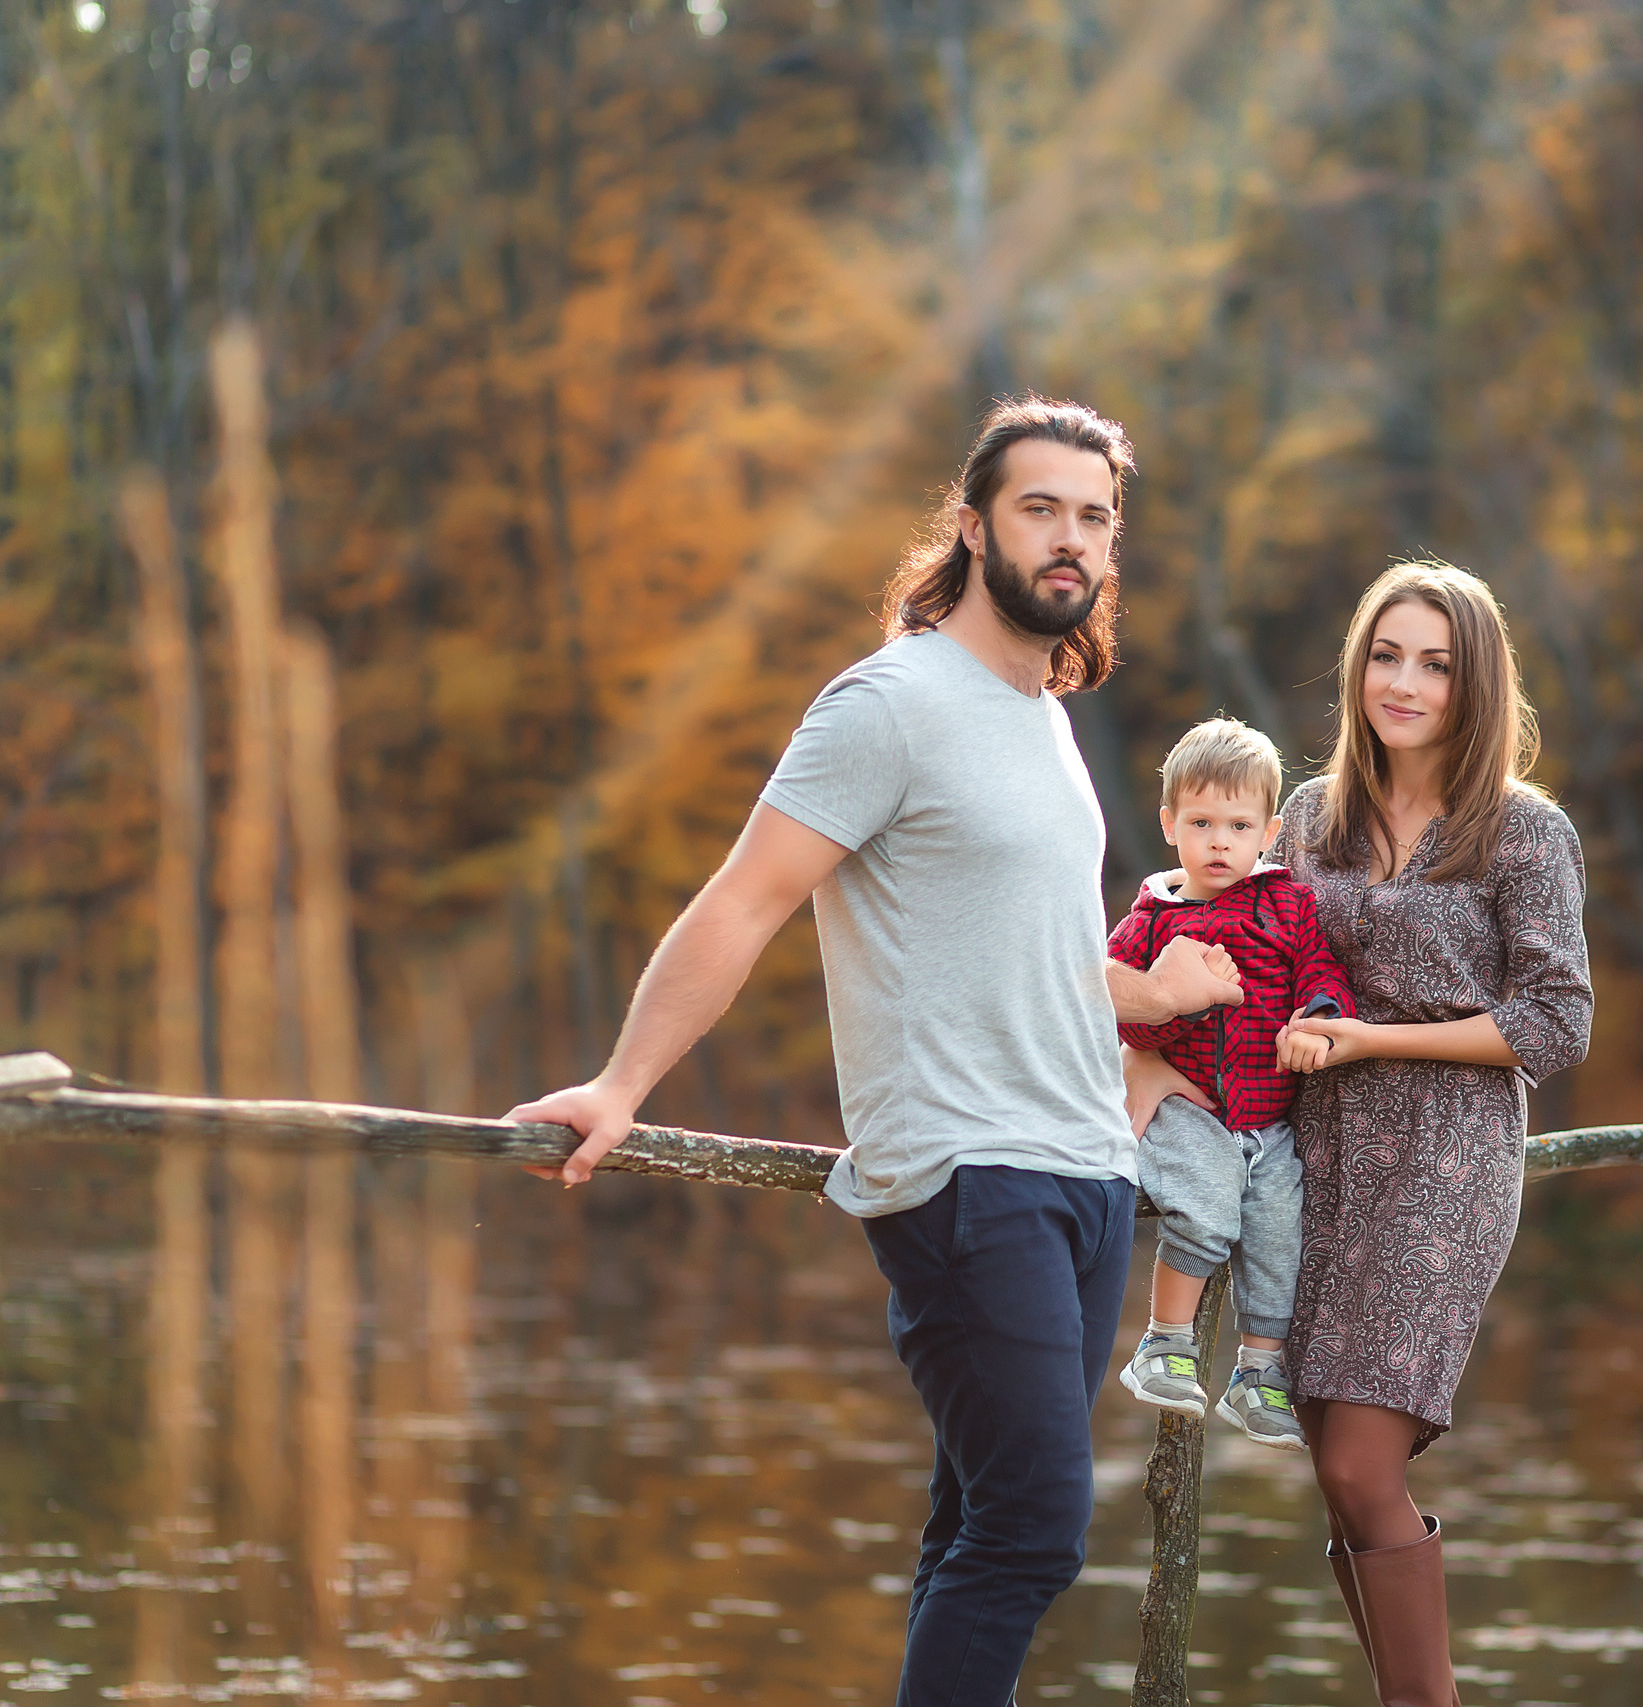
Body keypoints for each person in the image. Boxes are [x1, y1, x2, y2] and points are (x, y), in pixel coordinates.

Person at [508, 397, 1245, 1707]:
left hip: (1087, 1170)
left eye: (1095, 517)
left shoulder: (1044, 717)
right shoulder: (890, 703)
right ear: (973, 527)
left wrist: (1153, 1026)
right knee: (1032, 1530)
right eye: (1040, 509)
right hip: (966, 1169)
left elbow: (1033, 959)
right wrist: (622, 1084)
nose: (1071, 539)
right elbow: (745, 898)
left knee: (976, 1527)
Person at [1123, 561, 1593, 1707]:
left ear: (1476, 683)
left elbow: (1556, 1020)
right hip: (1307, 1156)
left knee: (1356, 1460)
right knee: (1333, 1469)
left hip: (1445, 1158)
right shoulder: (1302, 817)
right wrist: (1149, 1058)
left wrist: (1375, 1040)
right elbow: (1210, 952)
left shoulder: (1523, 831)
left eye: (1435, 663)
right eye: (1386, 656)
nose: (1404, 682)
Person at [1105, 717, 1356, 1450]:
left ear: (1269, 833)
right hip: (1187, 1103)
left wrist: (1319, 1016)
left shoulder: (1288, 906)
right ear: (1169, 825)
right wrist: (1177, 1006)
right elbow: (1123, 1018)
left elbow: (1320, 971)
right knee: (1207, 1210)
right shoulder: (1149, 922)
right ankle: (1165, 1343)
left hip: (1269, 1117)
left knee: (1280, 1233)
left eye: (1239, 826)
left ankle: (1258, 1372)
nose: (1220, 842)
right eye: (1202, 823)